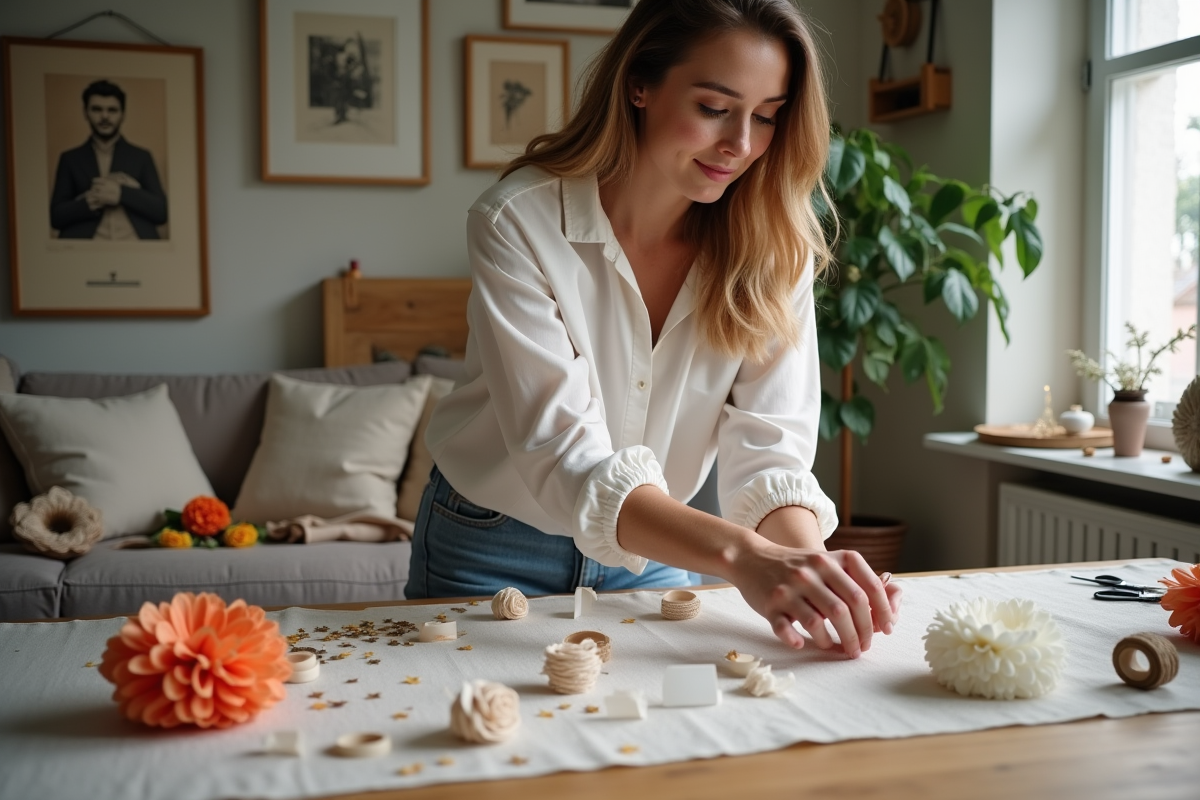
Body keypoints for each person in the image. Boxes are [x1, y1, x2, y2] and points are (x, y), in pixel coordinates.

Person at [410, 0, 903, 657]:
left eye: (766, 116)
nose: (741, 145)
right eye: (714, 107)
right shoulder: (517, 221)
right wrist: (746, 557)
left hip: (658, 551)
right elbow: (562, 451)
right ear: (639, 83)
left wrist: (808, 567)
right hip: (491, 542)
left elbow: (771, 451)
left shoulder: (775, 247)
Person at [50, 79, 168, 240]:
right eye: (96, 109)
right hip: (85, 248)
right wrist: (89, 201)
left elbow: (161, 212)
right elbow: (55, 217)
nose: (104, 116)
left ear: (123, 114)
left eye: (112, 110)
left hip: (136, 246)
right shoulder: (70, 158)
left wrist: (121, 193)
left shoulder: (141, 156)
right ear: (85, 112)